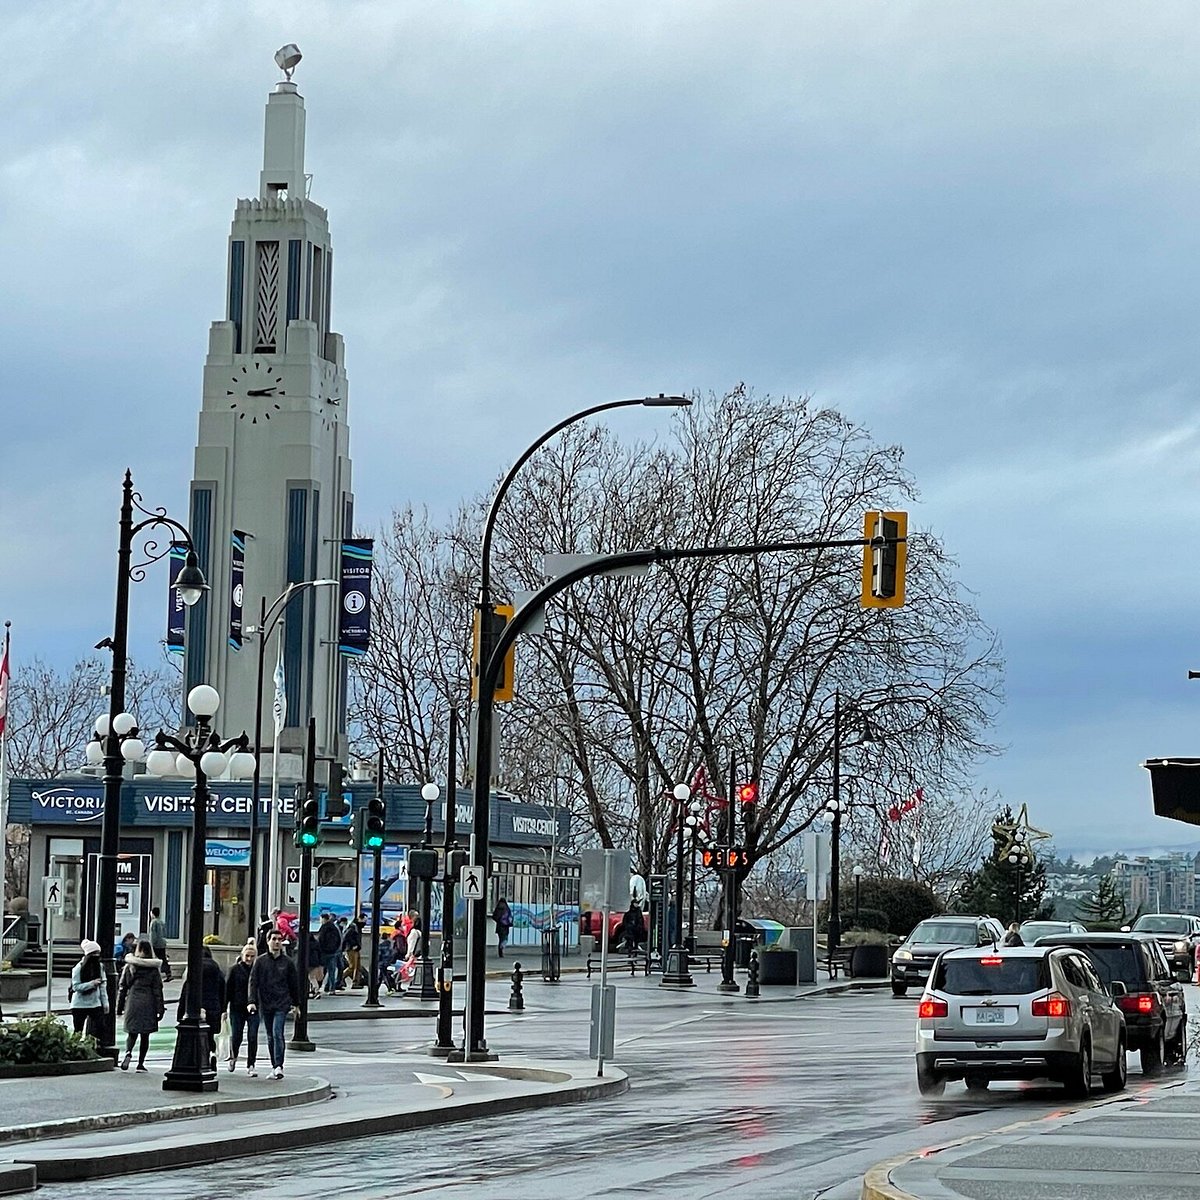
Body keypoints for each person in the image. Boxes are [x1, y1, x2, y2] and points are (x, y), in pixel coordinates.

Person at [248, 929, 300, 1080]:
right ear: (268, 941)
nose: (277, 942)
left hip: (282, 1003)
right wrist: (251, 1001)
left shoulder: (288, 962)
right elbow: (253, 982)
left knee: (278, 1033)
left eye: (279, 939)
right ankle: (274, 1065)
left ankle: (279, 1065)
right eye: (274, 939)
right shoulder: (261, 961)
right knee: (270, 1036)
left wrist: (296, 1004)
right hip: (266, 1003)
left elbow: (293, 984)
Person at [116, 938, 164, 1072]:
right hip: (148, 1002)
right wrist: (160, 1008)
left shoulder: (130, 966)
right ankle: (141, 1064)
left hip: (133, 1001)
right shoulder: (153, 970)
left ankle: (128, 1052)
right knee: (145, 1035)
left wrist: (119, 1008)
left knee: (132, 1032)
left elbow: (122, 987)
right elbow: (157, 990)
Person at [177, 945, 227, 1068]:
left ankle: (201, 1059)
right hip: (213, 1006)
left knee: (198, 1034)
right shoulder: (216, 969)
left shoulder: (195, 968)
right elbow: (223, 991)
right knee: (210, 1034)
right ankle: (212, 1053)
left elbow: (186, 990)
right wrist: (223, 1009)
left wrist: (181, 1012)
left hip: (197, 1007)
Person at [225, 941, 260, 1076]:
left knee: (252, 1036)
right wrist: (224, 1009)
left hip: (254, 1007)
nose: (249, 959)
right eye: (247, 956)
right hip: (237, 1007)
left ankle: (251, 1064)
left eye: (252, 956)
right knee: (236, 1036)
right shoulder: (234, 970)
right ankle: (233, 1057)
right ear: (242, 955)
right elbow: (228, 989)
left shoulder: (257, 970)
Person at [69, 939, 109, 1039]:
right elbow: (76, 986)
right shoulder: (78, 968)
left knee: (101, 1027)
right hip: (79, 1004)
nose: (97, 956)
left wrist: (105, 1003)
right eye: (95, 953)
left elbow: (103, 986)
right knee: (78, 1030)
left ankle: (95, 1046)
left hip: (95, 1003)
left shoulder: (99, 967)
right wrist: (91, 984)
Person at [315, 911, 343, 995]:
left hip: (324, 952)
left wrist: (320, 950)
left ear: (324, 919)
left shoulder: (324, 928)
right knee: (332, 971)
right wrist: (335, 949)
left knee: (321, 970)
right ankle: (331, 988)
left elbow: (321, 940)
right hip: (333, 952)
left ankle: (317, 987)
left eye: (320, 919)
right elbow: (338, 939)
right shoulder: (334, 927)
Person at [148, 906, 172, 981]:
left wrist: (151, 943)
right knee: (163, 958)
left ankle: (160, 973)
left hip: (157, 944)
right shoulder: (161, 922)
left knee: (158, 959)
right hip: (162, 942)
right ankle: (168, 973)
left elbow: (153, 934)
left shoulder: (153, 922)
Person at [342, 914, 364, 989]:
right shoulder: (353, 927)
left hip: (356, 949)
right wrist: (353, 945)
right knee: (352, 966)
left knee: (357, 966)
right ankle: (339, 979)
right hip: (352, 949)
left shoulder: (357, 927)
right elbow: (346, 937)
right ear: (360, 919)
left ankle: (356, 982)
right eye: (364, 920)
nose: (365, 922)